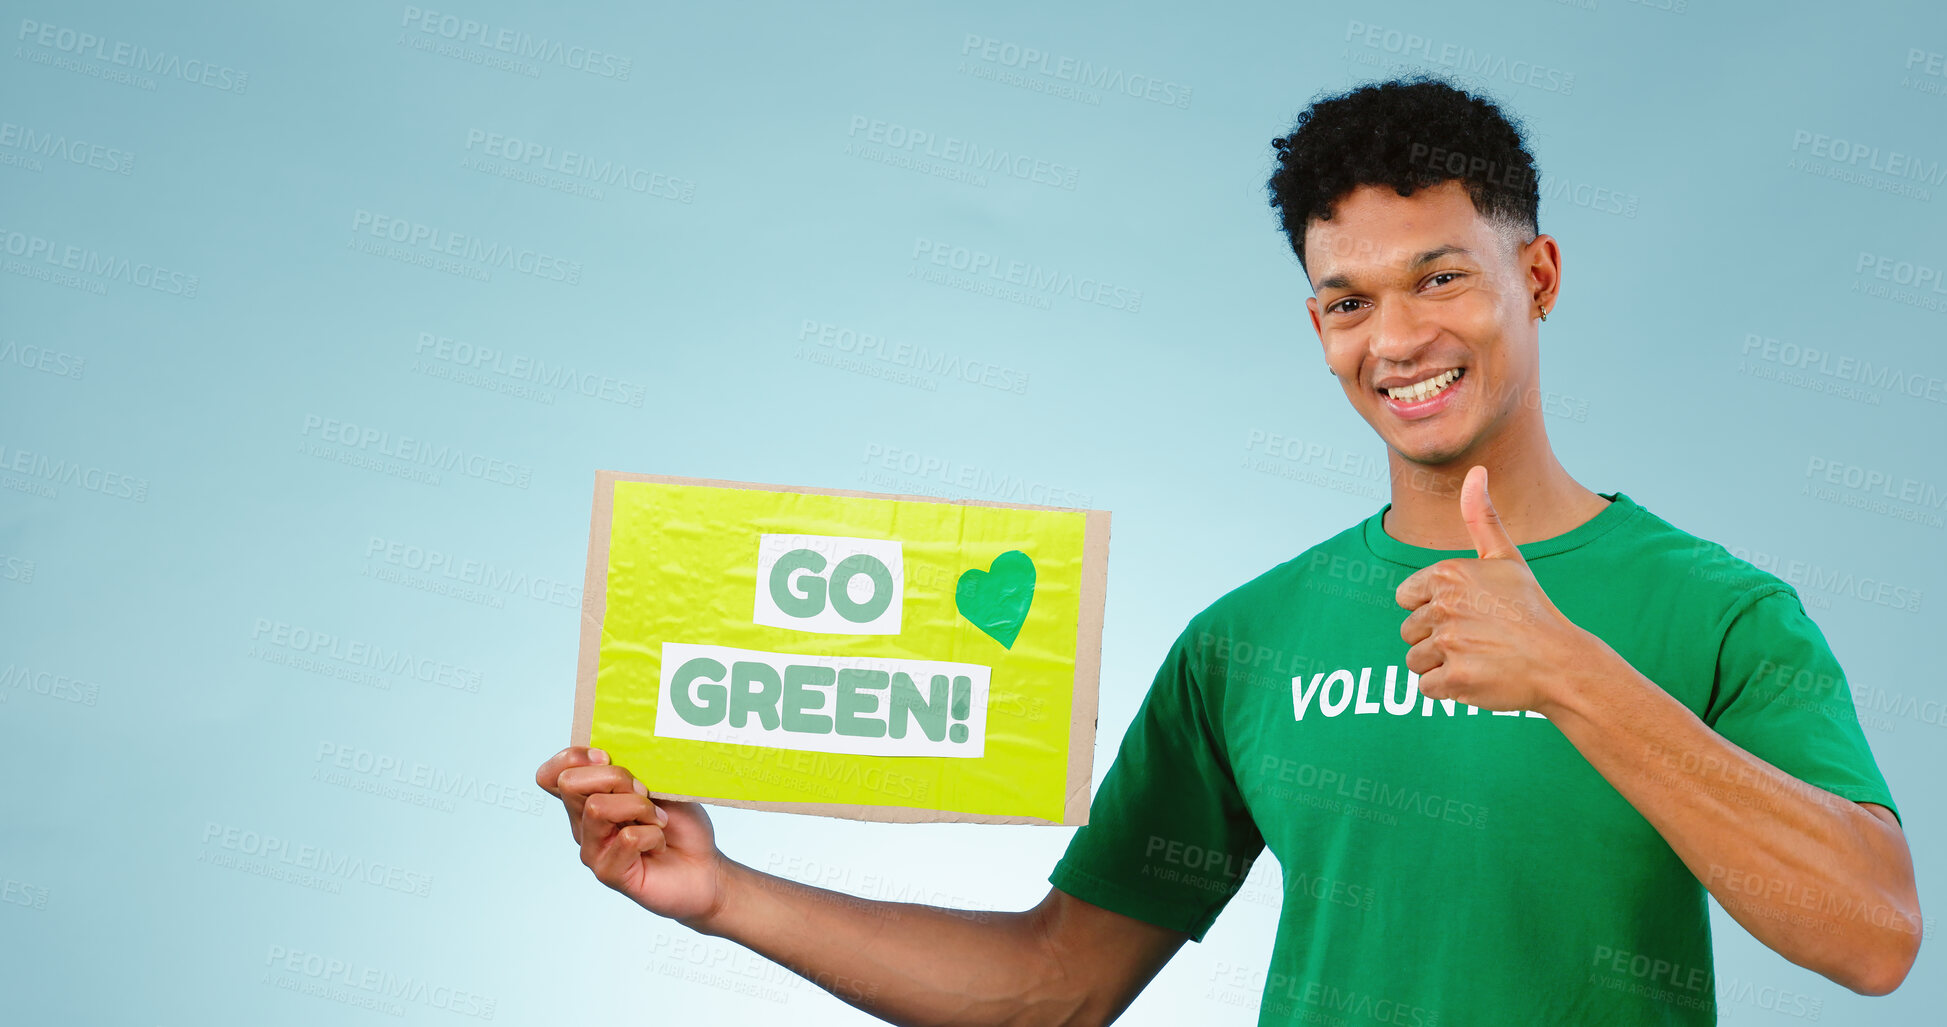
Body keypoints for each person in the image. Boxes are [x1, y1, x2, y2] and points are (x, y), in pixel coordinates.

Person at [536, 74, 1920, 1025]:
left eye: (1442, 275)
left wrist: (1573, 674)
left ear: (1536, 277)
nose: (1396, 340)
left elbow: (1871, 937)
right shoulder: (1247, 640)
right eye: (1345, 300)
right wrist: (721, 894)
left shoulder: (1724, 612)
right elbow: (1058, 984)